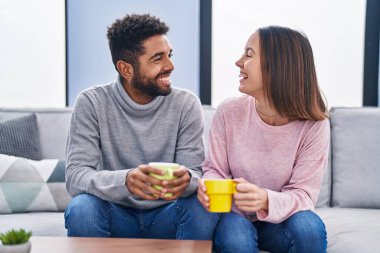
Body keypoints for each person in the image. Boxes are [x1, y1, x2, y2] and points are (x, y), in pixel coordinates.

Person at [65, 13, 218, 239]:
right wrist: (126, 181)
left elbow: (195, 173)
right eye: (158, 59)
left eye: (169, 55)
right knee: (81, 210)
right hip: (115, 211)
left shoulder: (186, 104)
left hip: (168, 213)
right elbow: (76, 176)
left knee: (204, 208)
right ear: (126, 69)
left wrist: (187, 179)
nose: (170, 66)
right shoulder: (92, 103)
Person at [198, 26, 329, 253]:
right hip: (236, 216)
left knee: (309, 229)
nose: (238, 62)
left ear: (277, 66)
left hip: (282, 219)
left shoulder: (314, 125)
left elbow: (304, 195)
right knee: (236, 240)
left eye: (249, 55)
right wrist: (208, 186)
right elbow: (215, 170)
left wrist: (265, 200)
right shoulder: (229, 111)